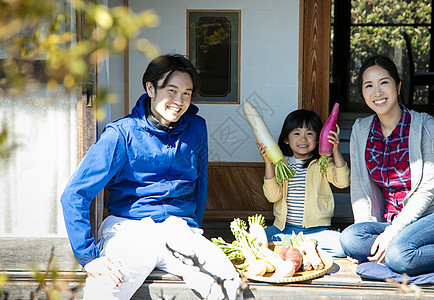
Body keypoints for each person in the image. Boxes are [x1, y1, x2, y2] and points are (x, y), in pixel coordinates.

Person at [60, 54, 242, 299]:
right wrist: (88, 257)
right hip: (129, 230)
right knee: (106, 290)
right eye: (172, 90)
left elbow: (200, 184)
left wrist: (192, 228)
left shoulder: (197, 127)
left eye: (187, 93)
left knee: (228, 285)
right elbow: (75, 194)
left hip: (179, 230)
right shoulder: (121, 134)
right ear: (150, 88)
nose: (180, 101)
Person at [339, 55, 434, 276]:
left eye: (384, 82)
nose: (377, 92)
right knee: (350, 239)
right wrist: (374, 230)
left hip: (426, 218)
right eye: (368, 85)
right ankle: (399, 250)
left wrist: (393, 233)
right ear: (362, 93)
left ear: (398, 86)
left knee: (398, 256)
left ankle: (398, 252)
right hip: (391, 224)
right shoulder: (361, 130)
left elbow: (428, 189)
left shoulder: (425, 125)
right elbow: (360, 188)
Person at [256, 109, 350, 257]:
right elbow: (272, 197)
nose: (303, 139)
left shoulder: (323, 163)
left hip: (317, 231)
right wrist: (268, 163)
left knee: (341, 248)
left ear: (319, 138)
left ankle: (296, 246)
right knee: (253, 239)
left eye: (310, 133)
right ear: (286, 139)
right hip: (284, 229)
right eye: (297, 133)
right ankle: (301, 247)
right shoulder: (282, 165)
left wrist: (335, 149)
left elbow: (343, 182)